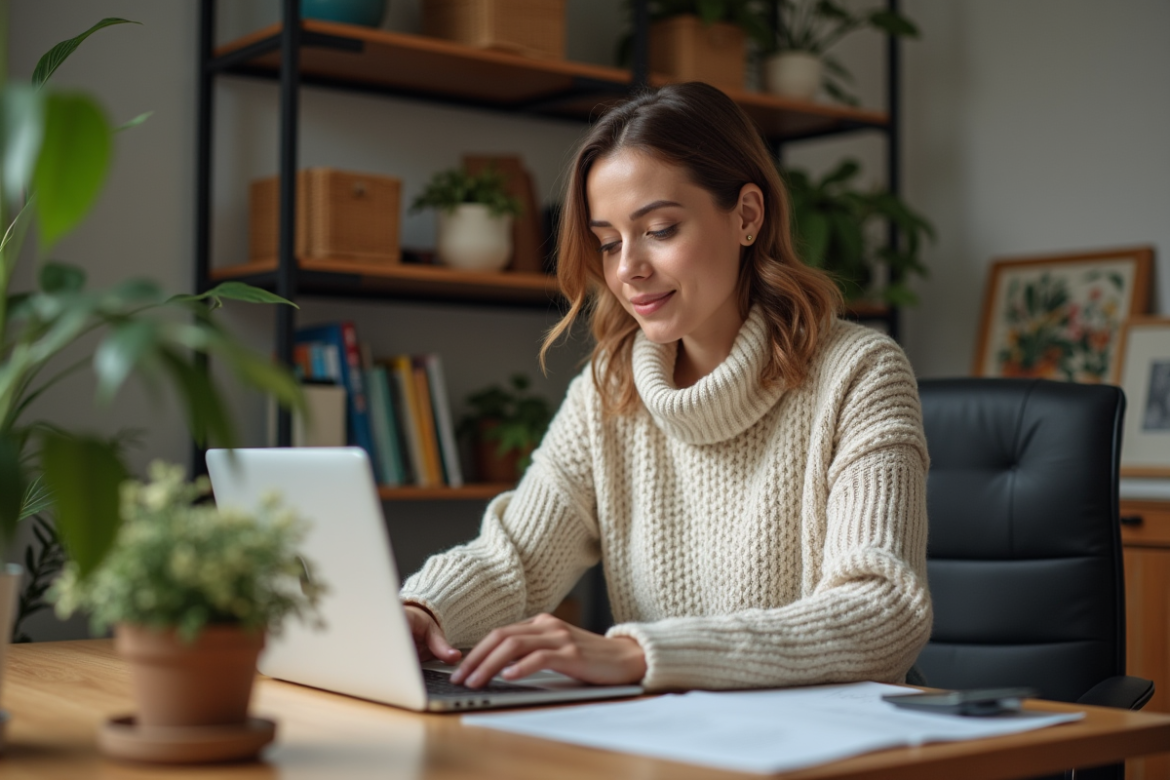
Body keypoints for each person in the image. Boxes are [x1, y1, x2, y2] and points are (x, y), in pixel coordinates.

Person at [400, 82, 931, 693]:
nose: (627, 268)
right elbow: (514, 557)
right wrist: (425, 611)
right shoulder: (611, 387)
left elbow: (881, 611)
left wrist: (639, 654)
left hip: (832, 742)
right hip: (672, 739)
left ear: (747, 216)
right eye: (607, 242)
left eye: (659, 229)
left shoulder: (860, 373)